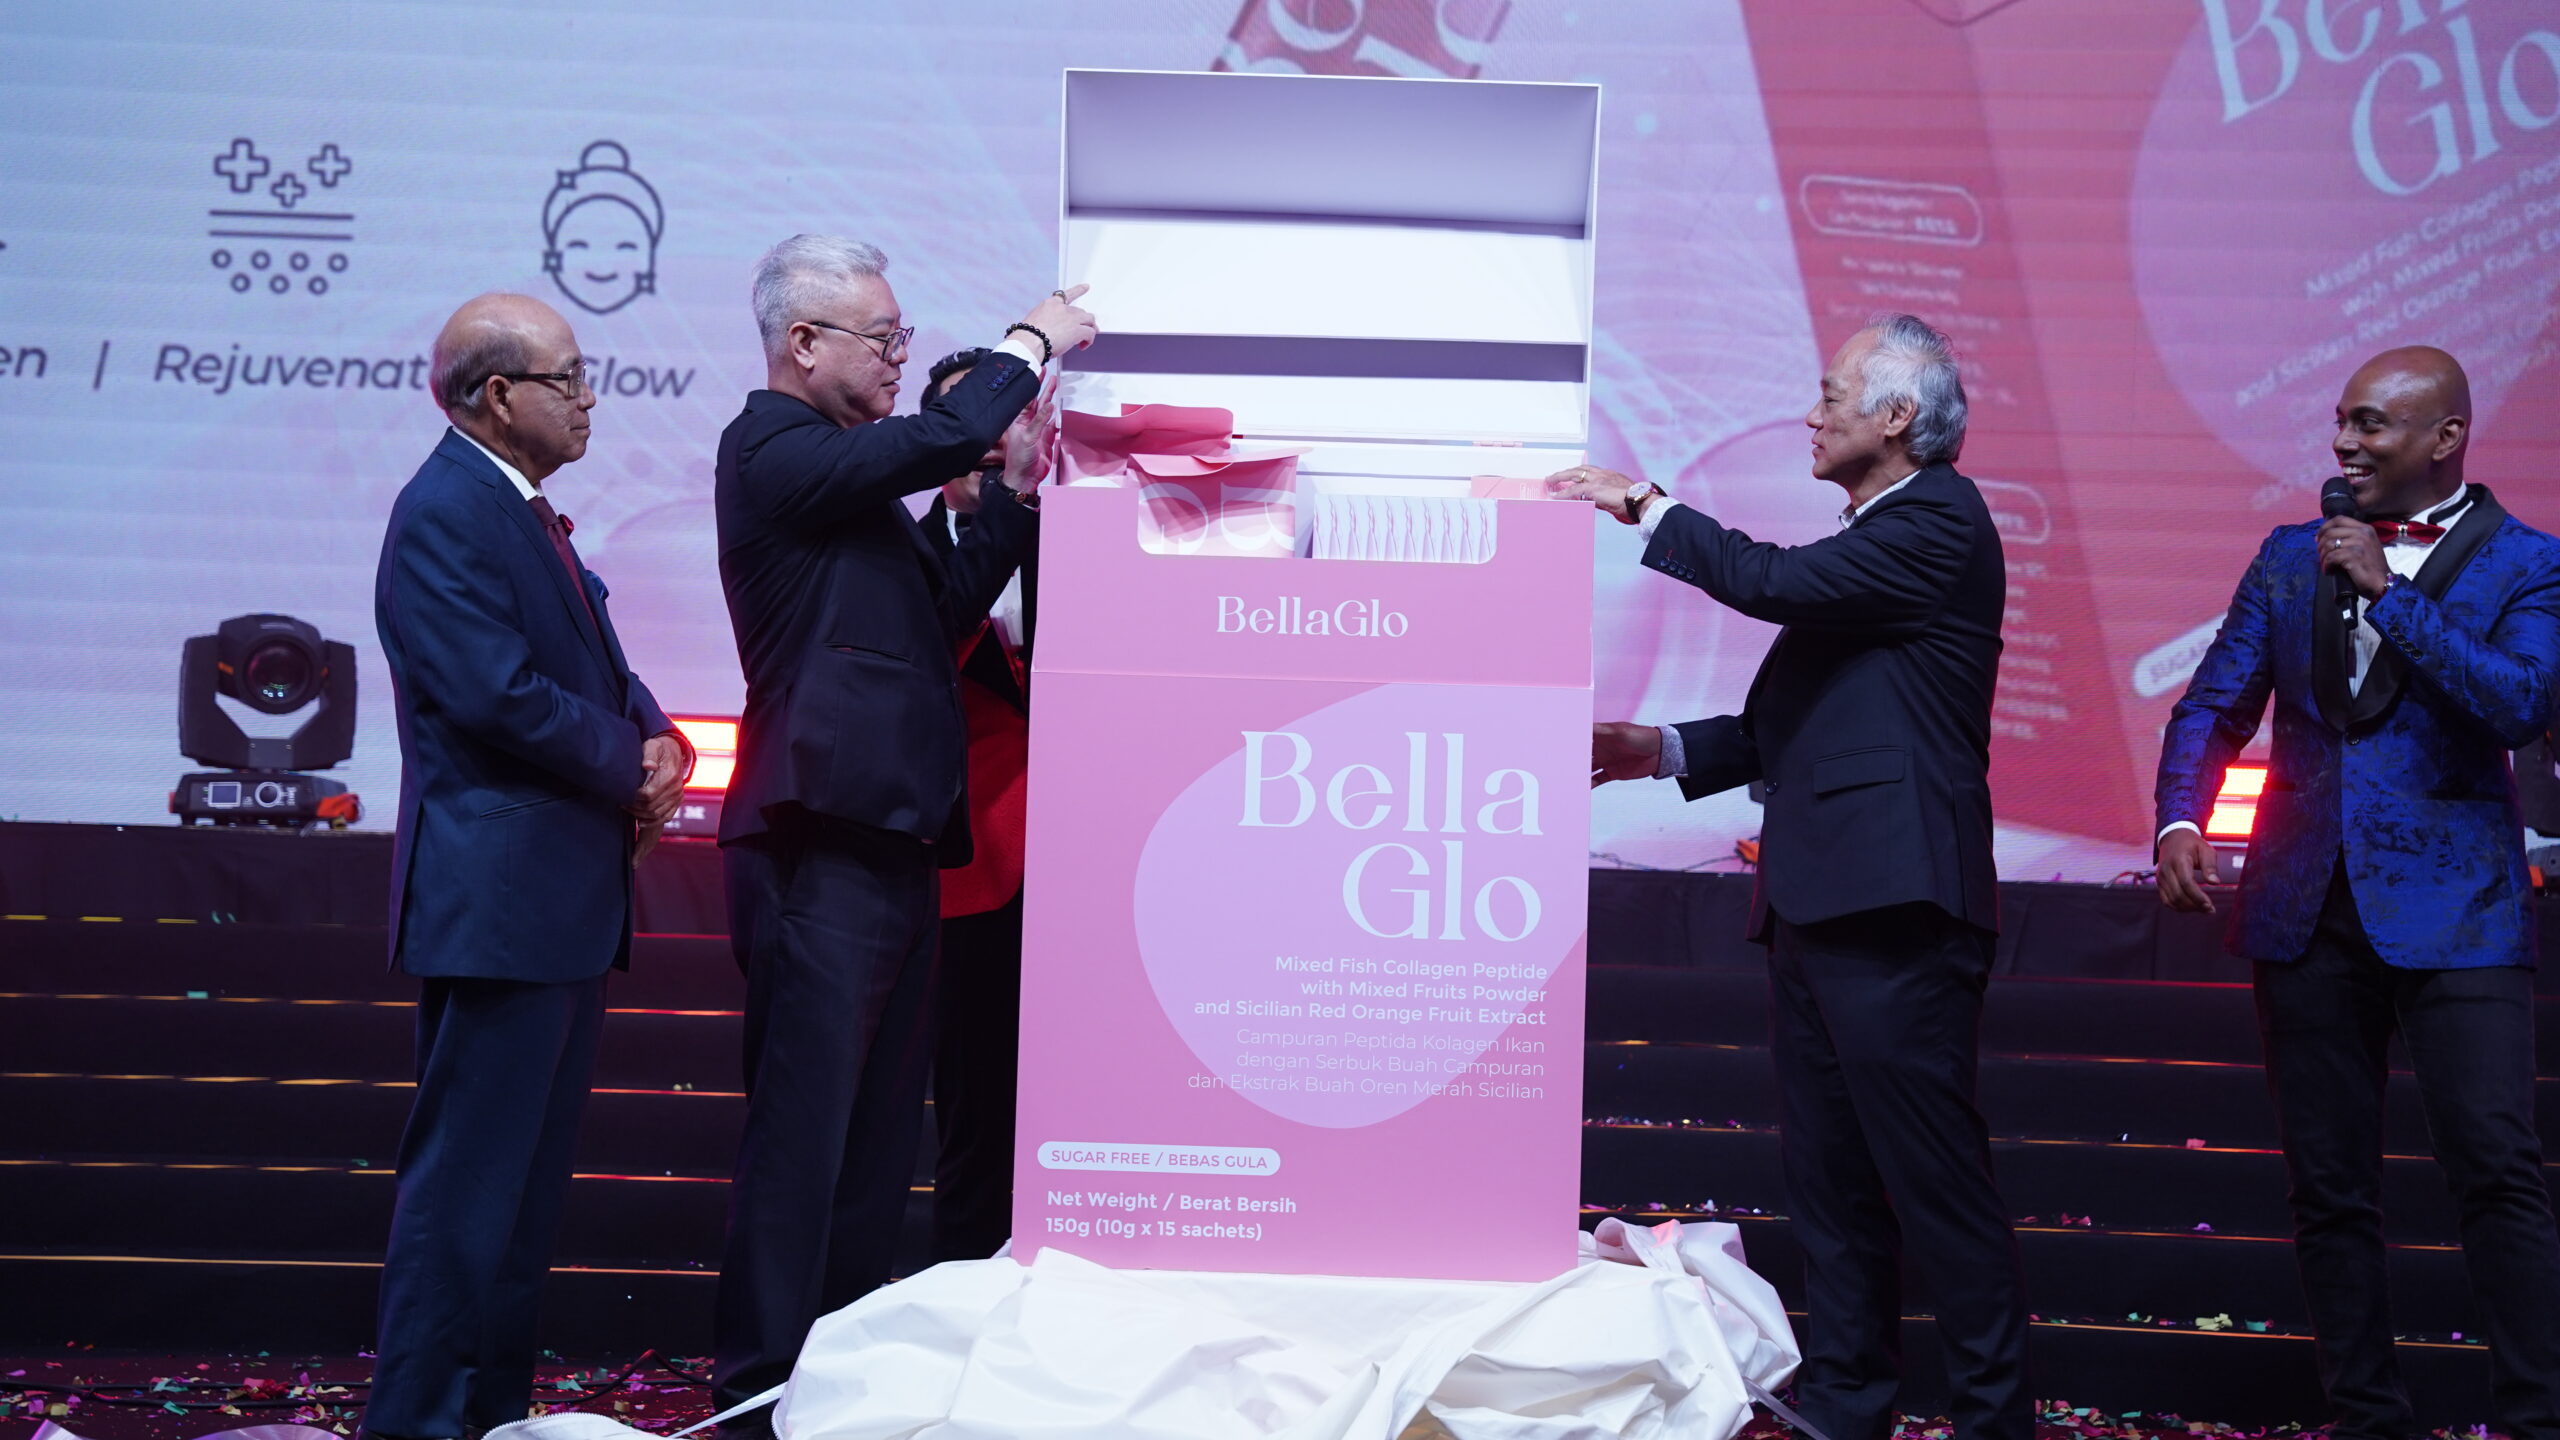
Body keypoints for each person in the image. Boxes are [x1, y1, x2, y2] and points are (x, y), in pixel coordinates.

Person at [1556, 313, 2028, 1440]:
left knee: (1933, 1184)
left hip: (1898, 905)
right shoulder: (1877, 545)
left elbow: (1770, 581)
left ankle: (1994, 1422)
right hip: (1822, 902)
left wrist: (1645, 504)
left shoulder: (1936, 520)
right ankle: (1847, 1408)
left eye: (1830, 396)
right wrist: (1659, 749)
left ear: (1897, 417)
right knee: (1832, 1186)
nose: (1809, 417)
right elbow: (1802, 726)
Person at [709, 235, 1095, 1423]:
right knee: (804, 1137)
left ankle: (833, 1381)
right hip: (817, 840)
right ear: (801, 343)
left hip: (895, 841)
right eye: (881, 338)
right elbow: (932, 437)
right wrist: (1029, 343)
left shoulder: (856, 496)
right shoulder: (771, 446)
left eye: (899, 339)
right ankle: (758, 1389)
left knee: (877, 1143)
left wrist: (1014, 495)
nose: (893, 358)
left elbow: (942, 613)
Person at [2155, 346, 2560, 1439]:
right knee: (2329, 1188)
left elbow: (2519, 704)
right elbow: (2214, 704)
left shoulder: (2530, 562)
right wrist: (2181, 816)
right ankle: (2366, 1418)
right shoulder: (2290, 556)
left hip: (2460, 916)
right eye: (2341, 420)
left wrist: (2391, 593)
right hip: (2304, 909)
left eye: (2371, 423)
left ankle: (2535, 1420)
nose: (2344, 443)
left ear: (2445, 437)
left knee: (2496, 1175)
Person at [366, 293, 690, 1440]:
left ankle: (487, 1417)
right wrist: (626, 765)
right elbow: (493, 694)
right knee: (463, 1205)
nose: (591, 399)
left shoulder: (519, 506)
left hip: (554, 907)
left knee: (517, 1211)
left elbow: (594, 663)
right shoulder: (447, 509)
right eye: (570, 378)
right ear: (499, 396)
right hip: (500, 906)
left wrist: (659, 735)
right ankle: (416, 1423)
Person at [917, 347, 1050, 1262]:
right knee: (976, 1111)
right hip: (972, 877)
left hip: (1083, 874)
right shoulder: (906, 554)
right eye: (969, 425)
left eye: (1007, 422)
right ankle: (964, 1287)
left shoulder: (1072, 547)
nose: (991, 443)